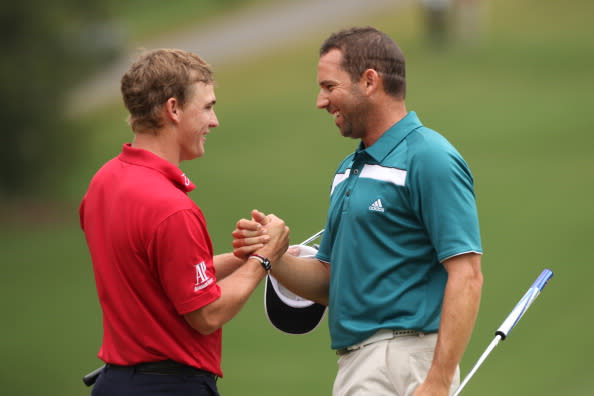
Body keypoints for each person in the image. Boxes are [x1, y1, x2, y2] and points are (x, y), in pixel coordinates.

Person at [234, 27, 483, 396]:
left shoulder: (429, 157)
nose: (321, 101)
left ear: (369, 81)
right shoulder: (348, 170)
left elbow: (467, 275)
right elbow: (329, 281)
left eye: (329, 86)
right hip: (356, 362)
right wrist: (275, 254)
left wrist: (437, 381)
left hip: (411, 359)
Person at [79, 48, 289, 396]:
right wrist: (262, 260)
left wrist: (243, 256)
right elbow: (206, 315)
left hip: (115, 383)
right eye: (207, 107)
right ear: (173, 109)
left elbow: (161, 278)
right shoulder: (172, 209)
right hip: (170, 386)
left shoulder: (102, 183)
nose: (215, 120)